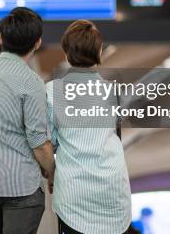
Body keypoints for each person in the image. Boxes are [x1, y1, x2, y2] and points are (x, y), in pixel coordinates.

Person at [0, 7, 55, 234]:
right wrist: (52, 171)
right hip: (21, 188)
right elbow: (39, 143)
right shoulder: (30, 81)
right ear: (37, 43)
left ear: (0, 38)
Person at [46, 20, 132, 234]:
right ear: (99, 51)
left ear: (66, 53)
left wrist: (51, 174)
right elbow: (117, 136)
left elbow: (48, 142)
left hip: (73, 196)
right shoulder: (113, 92)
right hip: (113, 194)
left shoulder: (51, 91)